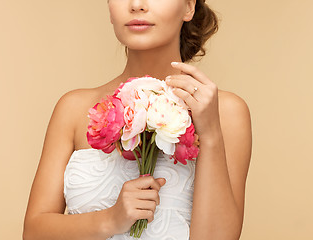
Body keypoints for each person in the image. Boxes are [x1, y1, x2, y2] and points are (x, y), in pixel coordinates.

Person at [23, 0, 252, 239]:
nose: (136, 4)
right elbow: (33, 232)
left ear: (188, 7)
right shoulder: (73, 108)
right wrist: (109, 220)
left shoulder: (226, 112)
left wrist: (210, 134)